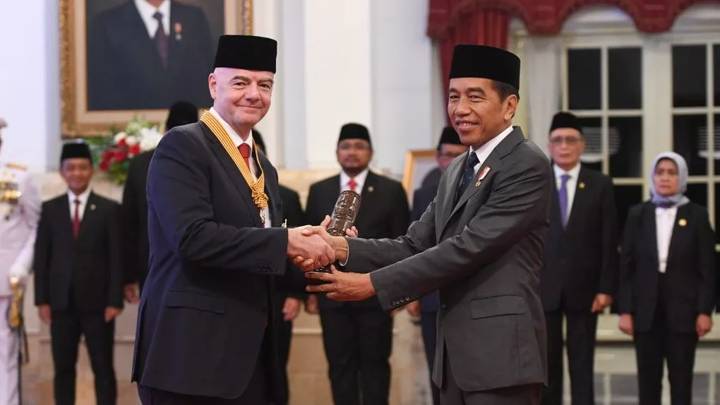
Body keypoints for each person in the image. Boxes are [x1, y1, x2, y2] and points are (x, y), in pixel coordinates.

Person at [302, 44, 551, 405]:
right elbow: (414, 244)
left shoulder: (526, 164)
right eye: (453, 97)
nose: (460, 109)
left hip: (500, 357)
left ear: (509, 105)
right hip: (453, 359)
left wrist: (372, 284)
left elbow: (468, 248)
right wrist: (341, 247)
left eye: (475, 97)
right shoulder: (457, 169)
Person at [131, 35, 334, 405]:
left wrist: (310, 246)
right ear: (213, 85)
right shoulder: (183, 146)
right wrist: (285, 242)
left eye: (265, 85)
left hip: (251, 356)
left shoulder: (263, 165)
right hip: (190, 357)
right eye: (240, 82)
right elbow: (192, 237)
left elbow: (258, 248)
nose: (254, 94)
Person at [304, 123, 410, 405]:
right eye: (346, 146)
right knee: (339, 368)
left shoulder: (391, 190)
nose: (352, 152)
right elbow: (308, 244)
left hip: (374, 295)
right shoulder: (319, 190)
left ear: (371, 152)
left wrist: (398, 291)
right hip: (331, 297)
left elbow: (403, 243)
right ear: (337, 152)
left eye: (359, 146)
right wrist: (310, 291)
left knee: (375, 367)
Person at [617, 152, 715, 405]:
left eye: (671, 173)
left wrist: (705, 310)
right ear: (652, 177)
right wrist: (625, 310)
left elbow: (708, 269)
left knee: (681, 382)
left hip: (683, 313)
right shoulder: (638, 214)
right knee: (648, 382)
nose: (665, 178)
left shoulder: (697, 216)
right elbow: (626, 267)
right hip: (645, 313)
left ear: (681, 177)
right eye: (660, 173)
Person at [34, 142, 123, 405]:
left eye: (82, 168)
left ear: (91, 170)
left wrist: (114, 299)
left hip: (98, 305)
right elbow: (42, 257)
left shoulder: (108, 209)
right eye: (70, 168)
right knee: (63, 369)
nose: (76, 173)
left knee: (103, 367)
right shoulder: (50, 209)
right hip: (61, 303)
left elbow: (116, 258)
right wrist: (42, 299)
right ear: (62, 172)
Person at [541, 112, 618, 405]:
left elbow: (609, 240)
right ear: (549, 146)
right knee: (546, 368)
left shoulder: (599, 184)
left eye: (570, 140)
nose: (564, 146)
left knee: (582, 365)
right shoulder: (536, 183)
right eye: (557, 140)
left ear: (582, 145)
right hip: (542, 289)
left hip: (585, 290)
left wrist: (606, 288)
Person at [405, 125, 465, 405]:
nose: (450, 161)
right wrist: (413, 293)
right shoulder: (424, 192)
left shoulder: (481, 187)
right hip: (431, 296)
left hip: (467, 295)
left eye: (457, 154)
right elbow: (414, 246)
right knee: (436, 371)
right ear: (438, 157)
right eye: (445, 155)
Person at [121, 100, 198, 303]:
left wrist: (129, 276)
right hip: (161, 265)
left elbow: (129, 225)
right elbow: (129, 223)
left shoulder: (140, 164)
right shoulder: (140, 165)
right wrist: (128, 276)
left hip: (182, 267)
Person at [252, 129, 307, 405]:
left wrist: (296, 294)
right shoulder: (226, 194)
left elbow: (296, 246)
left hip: (278, 296)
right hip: (241, 295)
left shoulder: (284, 195)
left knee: (275, 369)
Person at [87, 0, 214, 110]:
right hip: (129, 129)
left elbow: (206, 82)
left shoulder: (194, 18)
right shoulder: (107, 24)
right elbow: (103, 90)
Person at [0, 118, 41, 405]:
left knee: (5, 355)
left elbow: (37, 225)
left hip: (6, 279)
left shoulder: (19, 177)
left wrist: (23, 265)